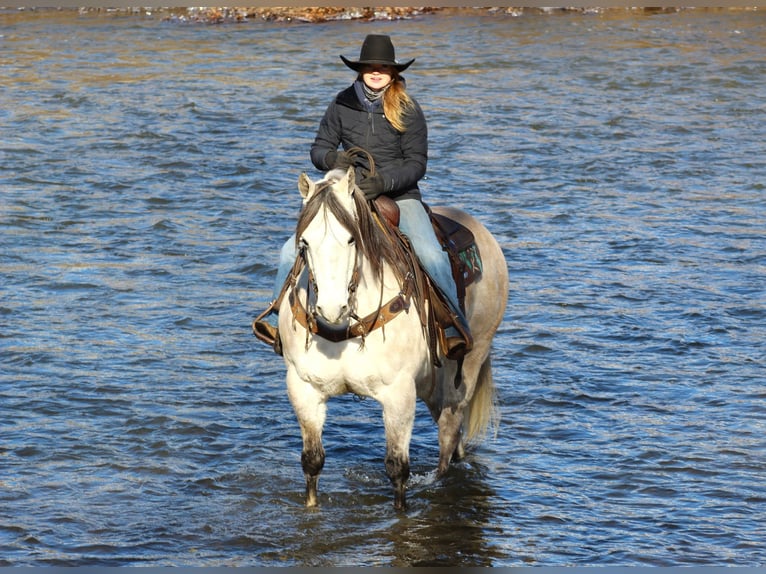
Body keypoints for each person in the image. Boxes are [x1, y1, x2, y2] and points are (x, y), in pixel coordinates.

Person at [254, 34, 471, 359]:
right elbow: (319, 149)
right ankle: (275, 320)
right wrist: (333, 161)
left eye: (383, 67)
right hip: (346, 191)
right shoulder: (341, 104)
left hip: (399, 196)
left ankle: (453, 326)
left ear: (393, 72)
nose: (376, 72)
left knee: (431, 254)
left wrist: (383, 182)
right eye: (370, 67)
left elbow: (417, 164)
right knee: (291, 250)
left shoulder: (408, 110)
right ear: (360, 70)